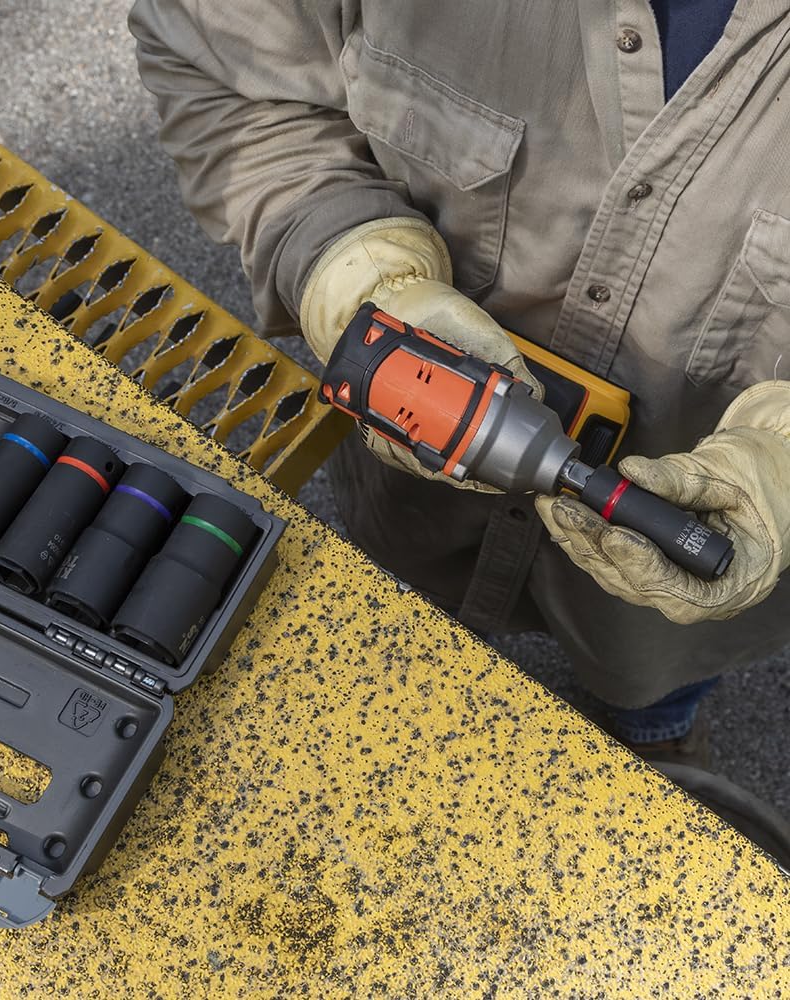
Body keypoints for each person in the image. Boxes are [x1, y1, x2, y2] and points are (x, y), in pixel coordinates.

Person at [129, 0, 790, 767]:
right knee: (404, 625)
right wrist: (351, 264)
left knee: (650, 672)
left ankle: (649, 723)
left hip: (654, 620)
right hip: (410, 508)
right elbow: (215, 59)